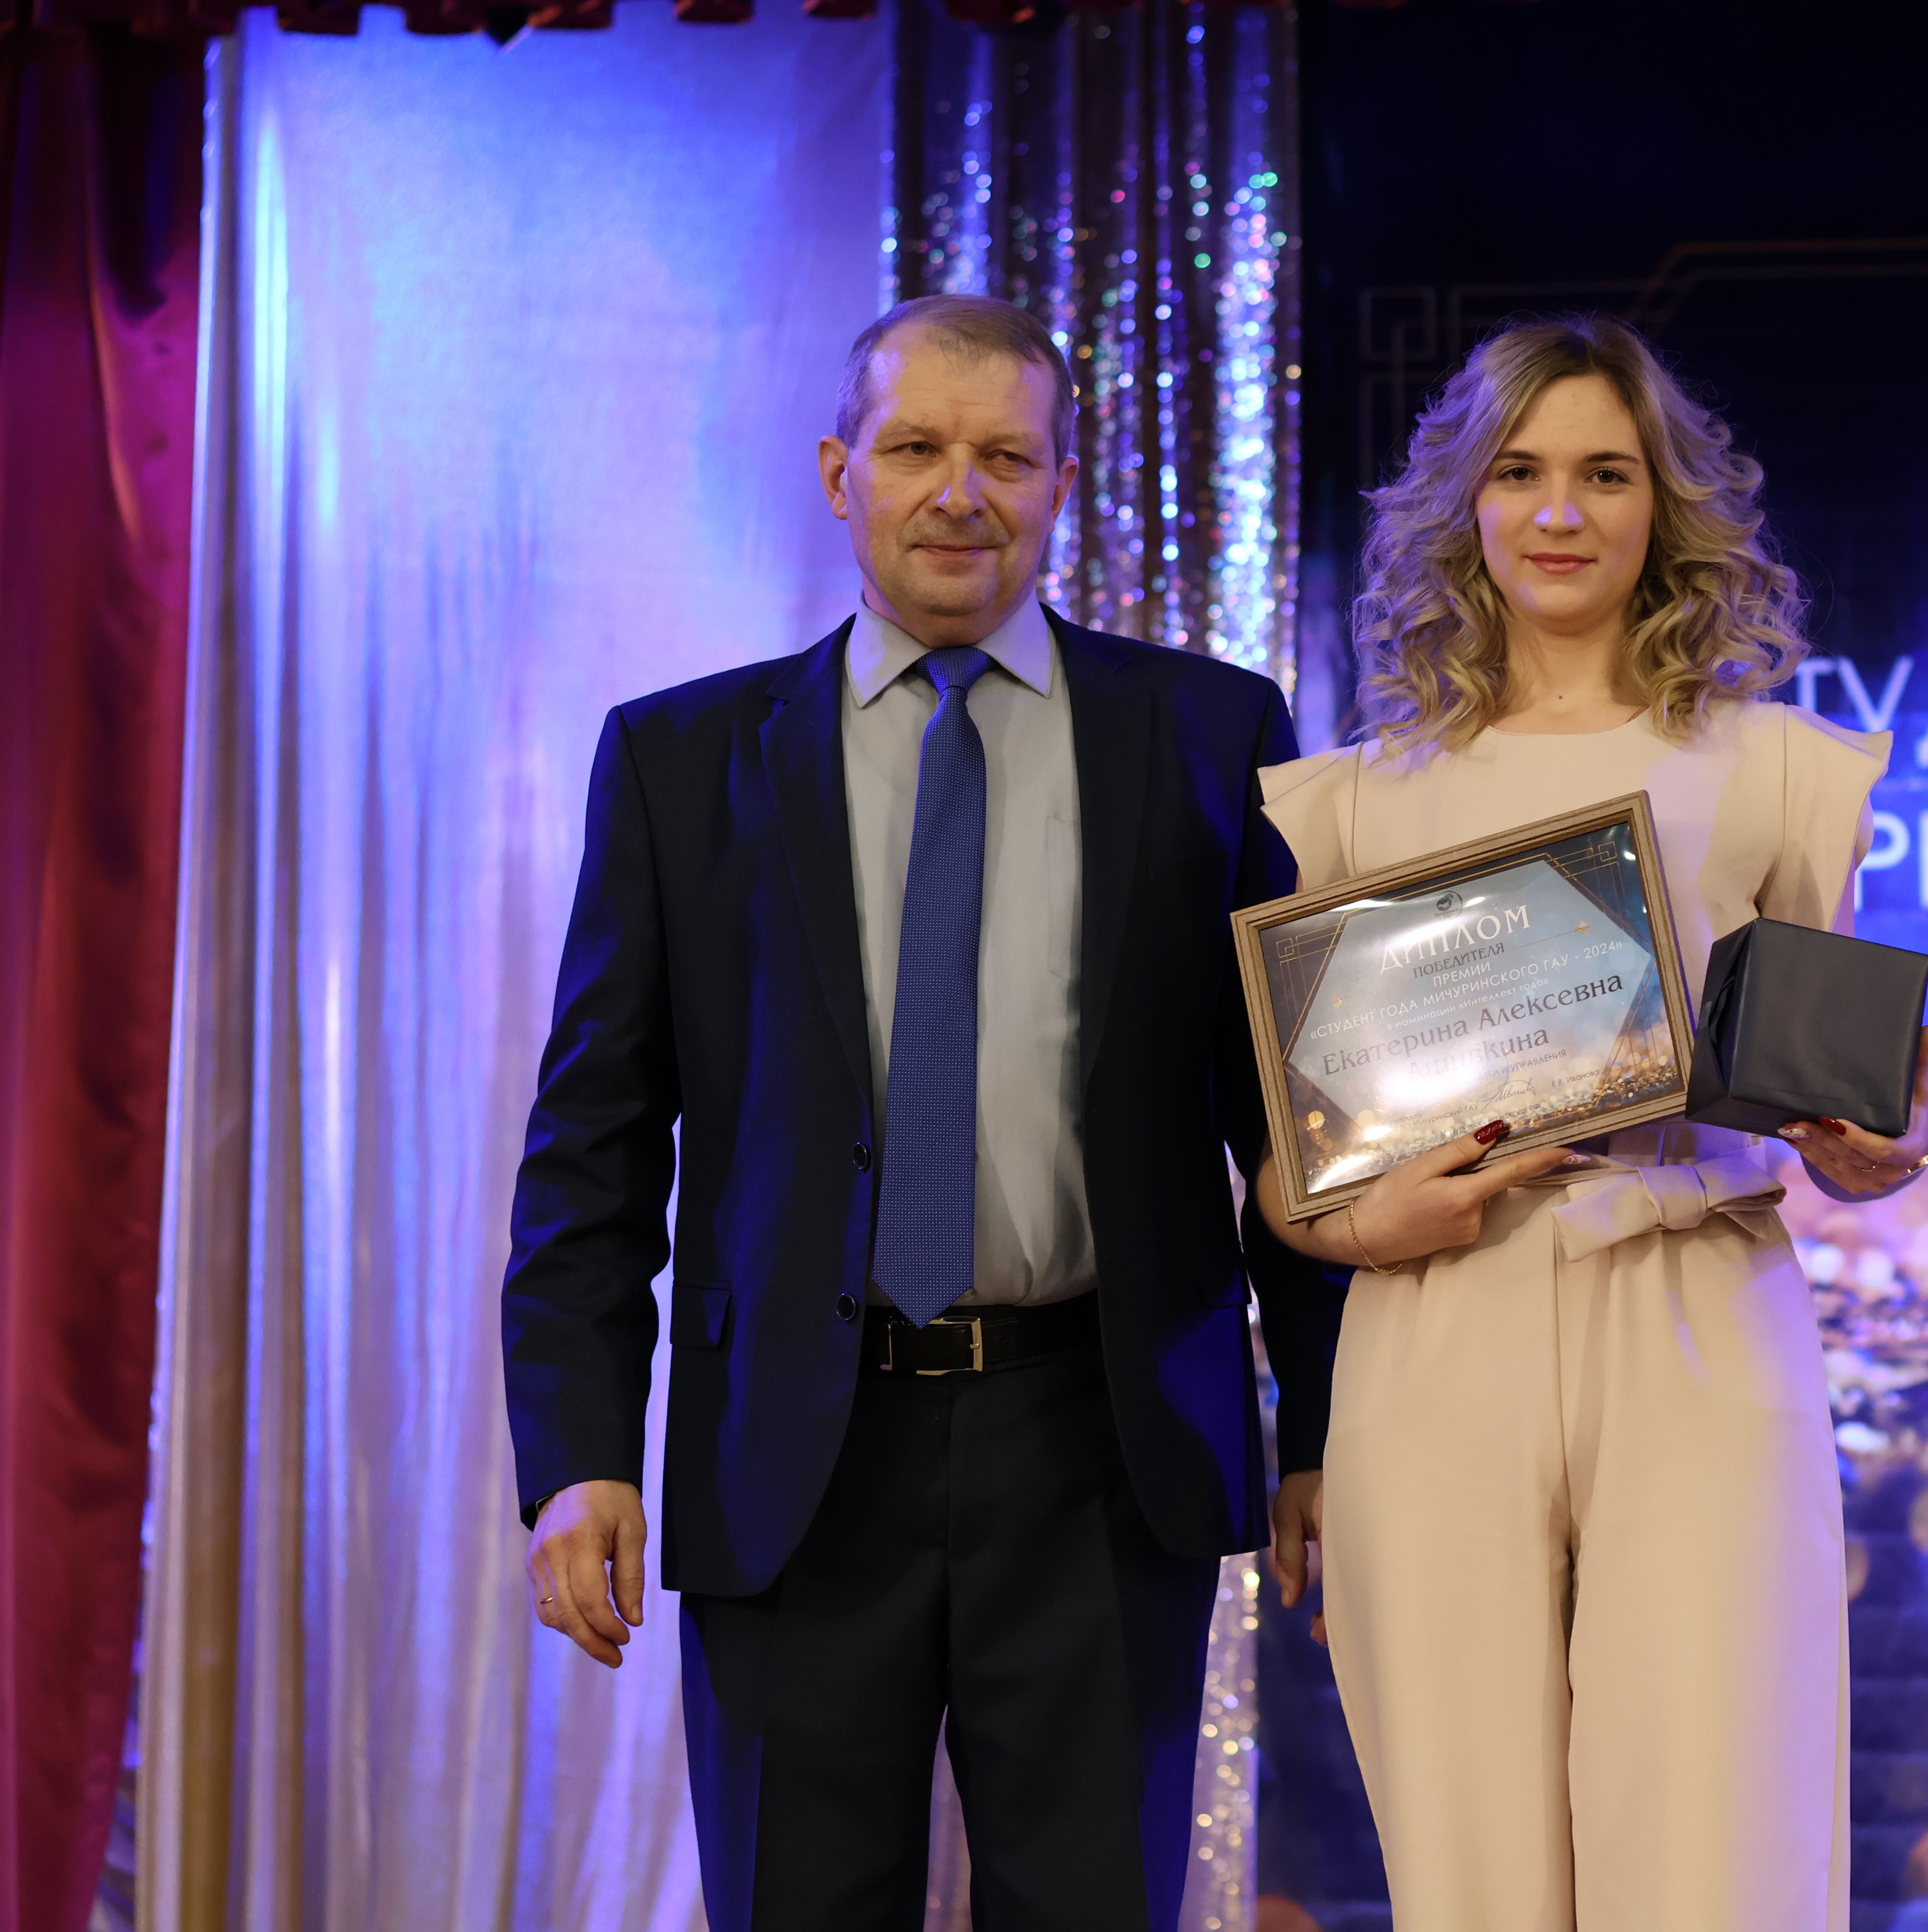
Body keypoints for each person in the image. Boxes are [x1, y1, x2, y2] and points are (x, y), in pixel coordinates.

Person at [501, 293, 1339, 1932]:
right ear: (840, 474)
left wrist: (1320, 1424)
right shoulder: (679, 760)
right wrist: (577, 1455)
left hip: (1105, 1451)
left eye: (1007, 457)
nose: (962, 493)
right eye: (916, 450)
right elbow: (591, 1148)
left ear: (1063, 484)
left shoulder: (1213, 733)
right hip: (792, 1466)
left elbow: (1290, 1129)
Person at [1251, 314, 1928, 1932]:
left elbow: (1849, 1101)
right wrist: (1359, 1227)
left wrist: (1886, 1151)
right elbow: (1291, 1177)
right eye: (1520, 473)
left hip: (1699, 1310)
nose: (1560, 512)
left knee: (1717, 1859)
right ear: (1464, 504)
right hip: (1434, 1330)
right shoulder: (1350, 801)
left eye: (1605, 474)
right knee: (1471, 1877)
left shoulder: (1779, 772)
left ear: (1666, 504)